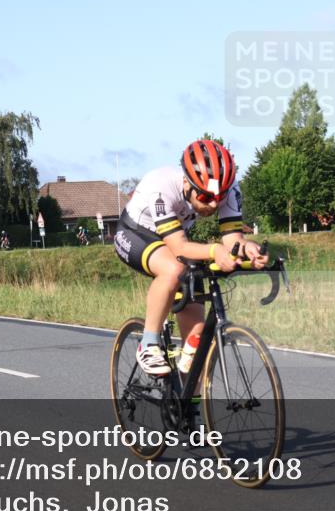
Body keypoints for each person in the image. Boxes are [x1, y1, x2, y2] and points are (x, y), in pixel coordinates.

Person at [114, 139, 267, 376]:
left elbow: (232, 239)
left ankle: (188, 406)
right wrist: (215, 251)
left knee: (197, 348)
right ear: (187, 182)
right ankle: (149, 343)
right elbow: (178, 248)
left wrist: (247, 250)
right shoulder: (162, 186)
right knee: (174, 268)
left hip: (176, 238)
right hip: (135, 233)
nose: (214, 204)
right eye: (206, 197)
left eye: (220, 197)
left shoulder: (228, 188)